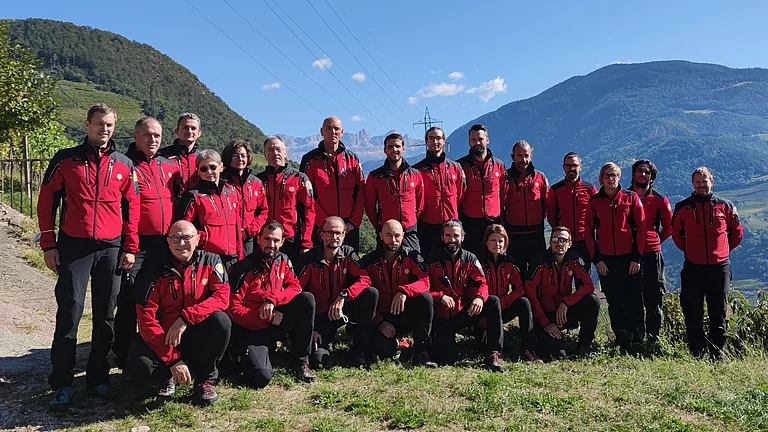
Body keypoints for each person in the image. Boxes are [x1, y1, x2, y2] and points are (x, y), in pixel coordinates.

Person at [38, 104, 139, 410]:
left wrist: (130, 247)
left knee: (105, 314)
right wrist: (49, 244)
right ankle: (63, 383)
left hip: (110, 249)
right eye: (99, 124)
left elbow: (131, 208)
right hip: (74, 246)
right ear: (87, 125)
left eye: (109, 125)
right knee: (69, 311)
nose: (104, 129)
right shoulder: (66, 159)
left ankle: (98, 377)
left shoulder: (124, 164)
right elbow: (46, 201)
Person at [128, 221, 231, 406]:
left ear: (198, 239)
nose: (181, 243)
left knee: (221, 321)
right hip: (164, 336)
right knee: (139, 366)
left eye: (187, 238)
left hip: (194, 331)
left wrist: (185, 317)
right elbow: (146, 320)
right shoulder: (152, 270)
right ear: (168, 241)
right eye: (175, 238)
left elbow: (223, 297)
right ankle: (167, 375)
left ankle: (204, 380)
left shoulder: (211, 261)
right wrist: (172, 360)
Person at [114, 117, 180, 369]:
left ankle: (158, 350)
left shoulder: (168, 166)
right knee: (132, 299)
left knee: (163, 299)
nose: (153, 140)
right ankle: (123, 354)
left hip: (164, 244)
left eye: (157, 135)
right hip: (136, 245)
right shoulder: (126, 165)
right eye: (147, 135)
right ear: (135, 136)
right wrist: (129, 246)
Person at [227, 221, 317, 386]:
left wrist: (273, 299)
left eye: (276, 240)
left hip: (275, 320)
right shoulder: (242, 269)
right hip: (252, 327)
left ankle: (301, 361)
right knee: (261, 378)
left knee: (306, 299)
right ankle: (239, 355)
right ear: (258, 239)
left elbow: (295, 286)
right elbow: (232, 310)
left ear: (282, 242)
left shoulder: (283, 260)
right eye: (267, 239)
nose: (271, 244)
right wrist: (267, 317)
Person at [672, 167, 743, 360]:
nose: (701, 185)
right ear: (692, 184)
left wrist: (723, 252)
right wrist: (689, 251)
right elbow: (676, 234)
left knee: (718, 312)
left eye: (705, 182)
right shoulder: (682, 207)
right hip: (693, 267)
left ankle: (717, 353)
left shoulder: (725, 206)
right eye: (698, 182)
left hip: (719, 268)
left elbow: (736, 232)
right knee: (692, 311)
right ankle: (697, 353)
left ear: (712, 181)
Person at [295, 216, 378, 368]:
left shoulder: (348, 254)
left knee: (371, 293)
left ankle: (359, 349)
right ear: (321, 235)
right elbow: (295, 292)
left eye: (338, 233)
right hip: (320, 317)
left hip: (342, 310)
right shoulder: (309, 259)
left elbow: (364, 279)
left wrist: (344, 295)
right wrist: (310, 328)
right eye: (330, 233)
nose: (334, 237)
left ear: (344, 235)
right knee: (319, 360)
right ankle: (321, 342)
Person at [427, 219, 505, 372]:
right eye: (448, 235)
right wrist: (439, 296)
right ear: (442, 237)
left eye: (456, 236)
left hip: (462, 313)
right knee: (447, 359)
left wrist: (479, 298)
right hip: (440, 316)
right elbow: (423, 288)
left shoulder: (470, 258)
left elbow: (482, 283)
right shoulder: (431, 259)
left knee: (493, 301)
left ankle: (494, 354)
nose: (452, 240)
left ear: (463, 237)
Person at [586, 162, 646, 353]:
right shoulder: (595, 202)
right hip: (607, 262)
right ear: (601, 179)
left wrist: (636, 257)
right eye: (606, 176)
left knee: (634, 302)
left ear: (619, 177)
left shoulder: (631, 198)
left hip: (630, 259)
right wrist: (597, 260)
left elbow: (642, 229)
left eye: (613, 175)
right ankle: (621, 342)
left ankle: (637, 341)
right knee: (615, 302)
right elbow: (588, 232)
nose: (610, 179)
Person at [359, 220, 435, 367]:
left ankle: (422, 351)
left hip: (404, 312)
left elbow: (425, 281)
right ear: (380, 236)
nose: (393, 240)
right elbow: (363, 296)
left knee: (425, 298)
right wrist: (379, 322)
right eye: (388, 235)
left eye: (397, 236)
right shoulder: (369, 261)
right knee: (385, 351)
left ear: (403, 236)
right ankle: (392, 342)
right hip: (381, 317)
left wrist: (404, 291)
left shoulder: (412, 256)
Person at [526, 227, 600, 359]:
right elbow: (529, 293)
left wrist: (566, 302)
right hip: (545, 316)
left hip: (564, 312)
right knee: (561, 354)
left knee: (593, 300)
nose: (559, 243)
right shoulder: (539, 261)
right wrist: (545, 323)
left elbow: (588, 286)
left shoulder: (574, 259)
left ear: (569, 243)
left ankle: (584, 347)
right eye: (555, 240)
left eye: (563, 240)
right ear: (550, 242)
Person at [300, 117, 365, 249]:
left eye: (336, 129)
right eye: (328, 128)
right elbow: (307, 196)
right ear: (321, 131)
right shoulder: (310, 159)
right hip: (321, 227)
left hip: (348, 228)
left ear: (342, 132)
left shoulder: (352, 159)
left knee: (349, 266)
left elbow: (361, 193)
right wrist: (326, 223)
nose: (332, 132)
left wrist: (353, 223)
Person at [479, 224, 538, 362]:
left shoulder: (510, 263)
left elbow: (520, 288)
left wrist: (505, 301)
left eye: (501, 241)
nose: (497, 244)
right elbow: (473, 292)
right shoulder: (478, 263)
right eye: (493, 240)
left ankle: (529, 348)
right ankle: (495, 352)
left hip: (502, 307)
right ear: (486, 242)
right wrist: (485, 324)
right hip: (484, 312)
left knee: (524, 302)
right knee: (482, 346)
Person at [629, 159, 673, 342]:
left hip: (651, 254)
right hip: (628, 255)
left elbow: (669, 227)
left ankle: (653, 339)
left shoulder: (659, 199)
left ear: (652, 177)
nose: (643, 175)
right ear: (633, 174)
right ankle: (636, 337)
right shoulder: (623, 196)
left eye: (647, 172)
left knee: (654, 297)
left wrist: (654, 241)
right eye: (640, 171)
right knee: (632, 298)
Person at [179, 149, 242, 271]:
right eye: (203, 169)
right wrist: (205, 241)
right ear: (198, 171)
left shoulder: (231, 193)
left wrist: (240, 253)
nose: (209, 172)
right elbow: (184, 227)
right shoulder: (193, 196)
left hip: (232, 257)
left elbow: (236, 226)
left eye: (213, 167)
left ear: (221, 167)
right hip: (207, 257)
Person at [257, 136, 315, 262]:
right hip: (263, 240)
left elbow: (309, 212)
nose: (275, 153)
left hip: (291, 240)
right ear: (265, 154)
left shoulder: (299, 178)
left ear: (285, 152)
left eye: (278, 149)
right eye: (270, 150)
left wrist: (306, 242)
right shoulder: (258, 180)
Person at [365, 133, 424, 251]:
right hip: (386, 232)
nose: (394, 150)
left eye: (397, 146)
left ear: (403, 149)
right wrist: (380, 227)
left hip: (409, 231)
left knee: (416, 264)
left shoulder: (415, 174)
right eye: (390, 147)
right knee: (386, 267)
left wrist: (411, 221)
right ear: (385, 150)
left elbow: (420, 204)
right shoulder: (375, 176)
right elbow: (369, 207)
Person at [413, 126, 466, 255]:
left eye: (438, 138)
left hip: (451, 226)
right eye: (431, 138)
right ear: (426, 142)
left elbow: (461, 193)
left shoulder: (456, 167)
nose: (435, 142)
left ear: (444, 140)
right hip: (428, 226)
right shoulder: (417, 170)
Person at [502, 140, 549, 277]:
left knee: (538, 276)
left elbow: (546, 203)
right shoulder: (506, 178)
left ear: (531, 155)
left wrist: (539, 219)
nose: (524, 159)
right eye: (519, 156)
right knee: (518, 277)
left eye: (526, 155)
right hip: (514, 237)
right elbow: (500, 204)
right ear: (513, 157)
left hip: (536, 235)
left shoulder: (540, 177)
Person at [457, 124, 505, 256]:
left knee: (493, 259)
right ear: (469, 142)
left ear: (487, 140)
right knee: (472, 260)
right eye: (473, 140)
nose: (477, 143)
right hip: (470, 223)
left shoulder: (499, 165)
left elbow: (504, 193)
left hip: (493, 223)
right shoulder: (460, 166)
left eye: (480, 139)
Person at [546, 152, 597, 269]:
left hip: (584, 240)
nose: (571, 169)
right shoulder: (556, 189)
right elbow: (551, 215)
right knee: (563, 277)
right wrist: (559, 232)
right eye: (568, 166)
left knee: (584, 275)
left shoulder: (590, 189)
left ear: (580, 166)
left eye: (574, 165)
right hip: (563, 241)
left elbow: (596, 214)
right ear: (564, 167)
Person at [221, 140, 269, 257]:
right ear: (228, 158)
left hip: (248, 239)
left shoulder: (256, 183)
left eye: (243, 155)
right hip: (225, 238)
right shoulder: (220, 181)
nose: (240, 159)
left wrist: (249, 231)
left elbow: (263, 211)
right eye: (235, 156)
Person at [159, 113, 202, 192]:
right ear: (177, 131)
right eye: (185, 127)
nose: (189, 131)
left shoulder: (203, 159)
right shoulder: (162, 156)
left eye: (193, 128)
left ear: (199, 133)